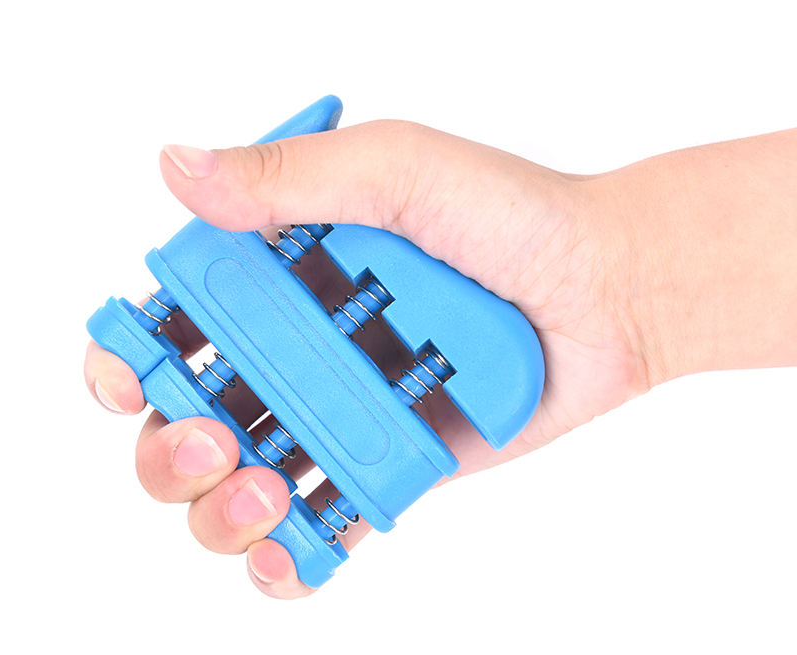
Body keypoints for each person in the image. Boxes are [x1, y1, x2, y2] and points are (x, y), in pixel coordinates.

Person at [83, 120, 797, 599]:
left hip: (446, 353)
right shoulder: (510, 377)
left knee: (226, 472)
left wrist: (616, 296)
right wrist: (616, 294)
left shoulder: (510, 377)